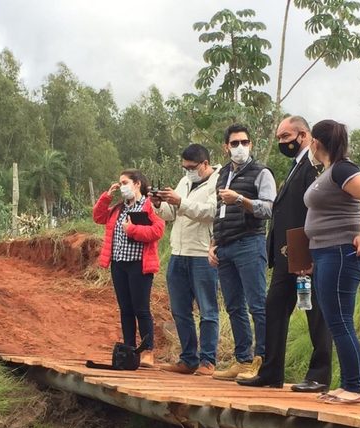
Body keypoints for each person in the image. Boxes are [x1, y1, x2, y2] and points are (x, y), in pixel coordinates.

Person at [238, 116, 333, 392]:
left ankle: (319, 376)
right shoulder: (295, 167)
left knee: (316, 313)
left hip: (305, 251)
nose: (282, 142)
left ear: (303, 135)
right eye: (279, 138)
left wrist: (310, 252)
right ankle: (270, 372)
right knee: (274, 308)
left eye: (285, 137)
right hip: (286, 254)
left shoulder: (313, 165)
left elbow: (315, 210)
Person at [303, 119, 360, 404]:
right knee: (336, 320)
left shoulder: (343, 169)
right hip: (325, 253)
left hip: (339, 254)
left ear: (316, 143)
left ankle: (353, 387)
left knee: (339, 320)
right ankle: (348, 384)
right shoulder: (329, 172)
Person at [209, 124, 276, 381]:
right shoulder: (223, 173)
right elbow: (219, 212)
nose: (240, 147)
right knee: (234, 305)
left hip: (250, 242)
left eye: (244, 142)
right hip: (225, 246)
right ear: (226, 146)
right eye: (235, 143)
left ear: (251, 144)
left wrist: (240, 199)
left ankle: (263, 361)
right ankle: (242, 360)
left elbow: (269, 209)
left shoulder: (261, 173)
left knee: (257, 305)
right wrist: (212, 244)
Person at [151, 144, 221, 376]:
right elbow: (172, 214)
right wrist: (160, 203)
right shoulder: (185, 181)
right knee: (180, 309)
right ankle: (188, 358)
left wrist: (180, 201)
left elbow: (210, 212)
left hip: (202, 253)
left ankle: (208, 360)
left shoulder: (219, 181)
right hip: (178, 252)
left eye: (191, 167)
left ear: (205, 164)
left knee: (207, 309)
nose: (188, 171)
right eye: (185, 167)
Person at [93, 169, 165, 368]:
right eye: (120, 183)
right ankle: (129, 350)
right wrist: (107, 196)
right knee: (125, 310)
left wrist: (132, 230)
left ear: (137, 184)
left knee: (141, 309)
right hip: (118, 263)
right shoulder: (118, 208)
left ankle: (147, 351)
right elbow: (98, 217)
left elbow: (157, 230)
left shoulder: (149, 206)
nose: (121, 186)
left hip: (139, 264)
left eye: (124, 183)